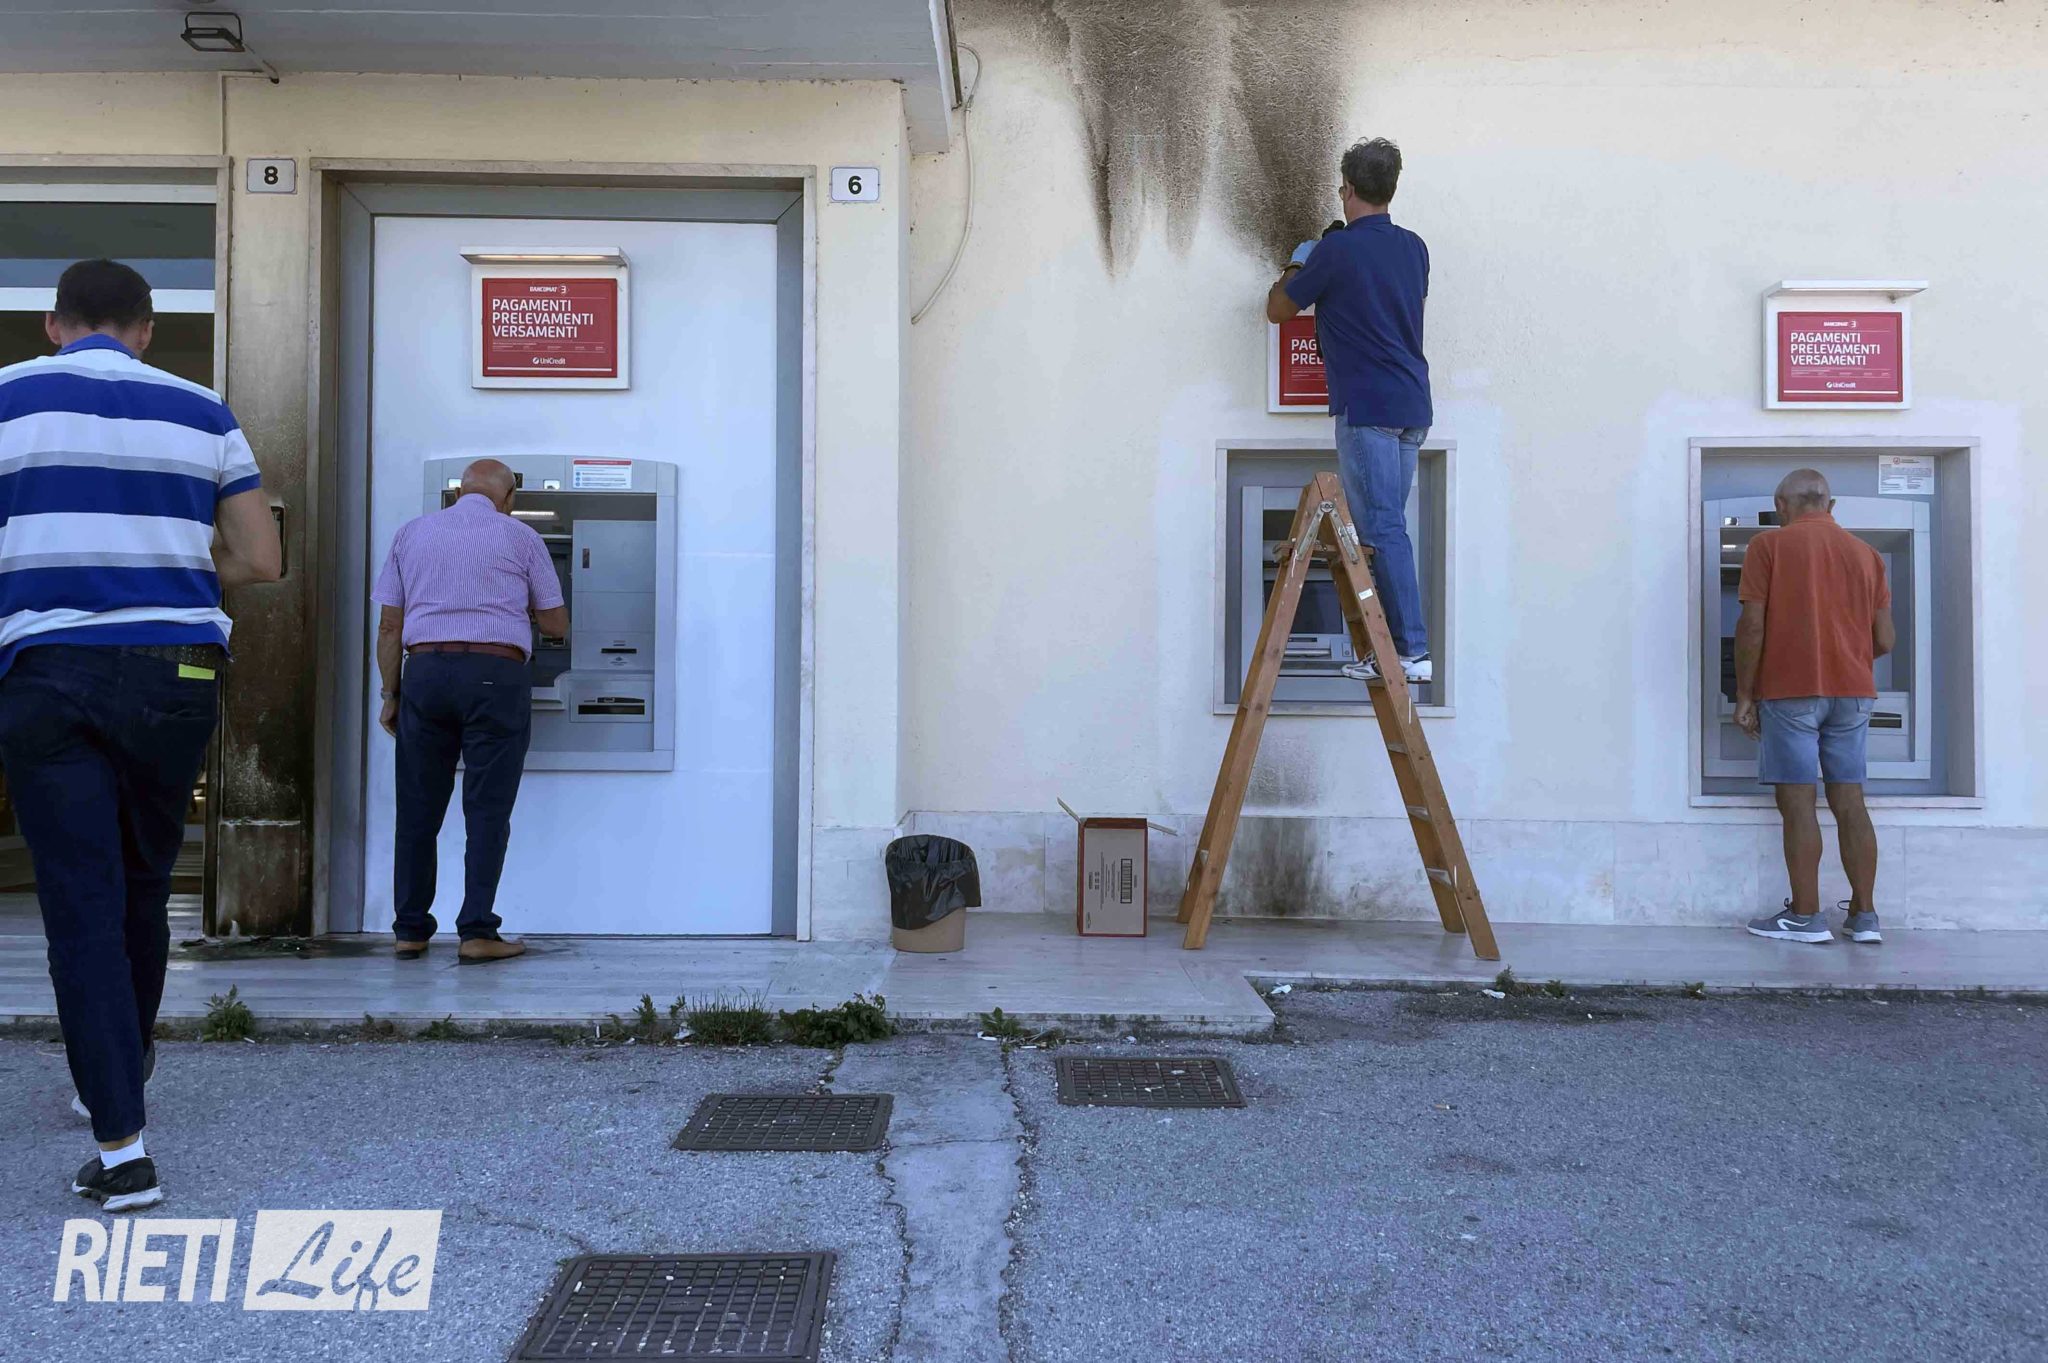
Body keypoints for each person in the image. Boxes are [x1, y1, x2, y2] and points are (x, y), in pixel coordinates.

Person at [0, 258, 281, 1211]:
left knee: (79, 902)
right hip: (178, 668)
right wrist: (167, 566)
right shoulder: (202, 410)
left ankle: (121, 1146)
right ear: (147, 330)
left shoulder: (8, 398)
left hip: (49, 668)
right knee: (143, 888)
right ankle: (118, 1068)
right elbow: (261, 558)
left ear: (53, 324)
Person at [372, 458, 565, 964]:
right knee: (487, 810)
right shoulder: (523, 537)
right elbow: (556, 624)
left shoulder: (411, 534)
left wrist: (391, 694)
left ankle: (410, 930)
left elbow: (390, 626)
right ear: (509, 498)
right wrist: (522, 609)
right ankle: (477, 931)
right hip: (495, 675)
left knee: (417, 809)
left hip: (426, 672)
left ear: (458, 492)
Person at [1266, 136, 1434, 685]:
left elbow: (1278, 309)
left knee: (1381, 528)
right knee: (1385, 529)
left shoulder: (1337, 251)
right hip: (1412, 406)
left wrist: (1301, 259)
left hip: (1368, 406)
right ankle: (1388, 648)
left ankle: (1407, 650)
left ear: (1348, 189)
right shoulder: (1415, 248)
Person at [1732, 468, 1894, 945]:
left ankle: (1805, 916)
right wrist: (1846, 658)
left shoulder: (1768, 546)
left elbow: (1752, 626)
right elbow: (1886, 639)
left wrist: (1745, 694)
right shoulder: (1867, 554)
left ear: (1781, 506)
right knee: (1850, 801)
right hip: (1854, 694)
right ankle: (1864, 916)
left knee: (1798, 802)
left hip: (1790, 691)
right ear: (1831, 505)